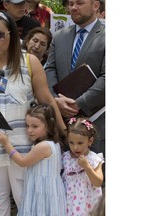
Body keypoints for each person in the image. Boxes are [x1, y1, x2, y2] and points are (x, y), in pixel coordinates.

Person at [0, 10, 66, 216]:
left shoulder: (29, 61)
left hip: (24, 149)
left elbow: (46, 99)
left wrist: (65, 133)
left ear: (11, 34)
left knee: (26, 203)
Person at [44, 0, 105, 181]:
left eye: (79, 3)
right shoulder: (59, 36)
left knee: (95, 185)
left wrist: (79, 103)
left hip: (96, 119)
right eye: (70, 3)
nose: (73, 8)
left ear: (96, 5)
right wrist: (56, 100)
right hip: (62, 121)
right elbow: (49, 69)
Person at [0, 103, 67, 216]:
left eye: (35, 126)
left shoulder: (43, 146)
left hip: (43, 192)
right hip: (47, 190)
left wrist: (6, 144)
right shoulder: (54, 144)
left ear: (49, 126)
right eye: (27, 126)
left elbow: (22, 162)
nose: (29, 130)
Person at [62, 117, 104, 216]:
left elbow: (98, 182)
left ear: (90, 141)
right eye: (71, 142)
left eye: (80, 143)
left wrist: (87, 167)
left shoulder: (94, 159)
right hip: (69, 203)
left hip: (88, 202)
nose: (75, 147)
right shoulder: (65, 157)